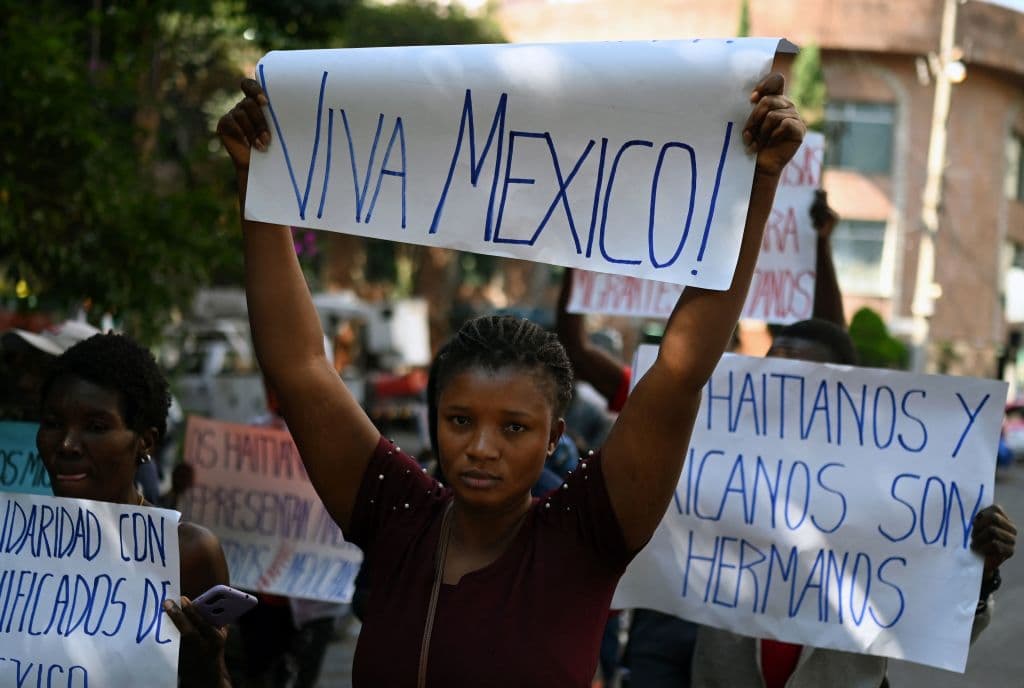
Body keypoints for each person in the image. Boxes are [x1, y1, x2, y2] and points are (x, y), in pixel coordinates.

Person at [218, 71, 805, 685]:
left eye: (515, 427)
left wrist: (757, 183)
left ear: (554, 438)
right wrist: (257, 189)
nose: (480, 447)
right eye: (460, 420)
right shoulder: (397, 515)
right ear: (433, 420)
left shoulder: (585, 535)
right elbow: (302, 368)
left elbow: (680, 374)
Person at [556, 189, 848, 688]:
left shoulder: (829, 435)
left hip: (745, 630)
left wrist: (816, 249)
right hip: (669, 612)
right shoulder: (676, 403)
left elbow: (831, 346)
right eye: (780, 352)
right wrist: (576, 258)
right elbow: (577, 353)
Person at [690, 318, 1017, 688]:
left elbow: (929, 628)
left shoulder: (892, 504)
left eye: (803, 379)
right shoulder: (719, 482)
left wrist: (980, 575)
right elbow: (666, 609)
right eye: (772, 373)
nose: (783, 390)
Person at [35, 332, 233, 688]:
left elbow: (218, 678)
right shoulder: (14, 546)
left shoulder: (186, 553)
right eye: (52, 423)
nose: (66, 444)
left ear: (145, 442)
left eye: (96, 427)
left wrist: (205, 669)